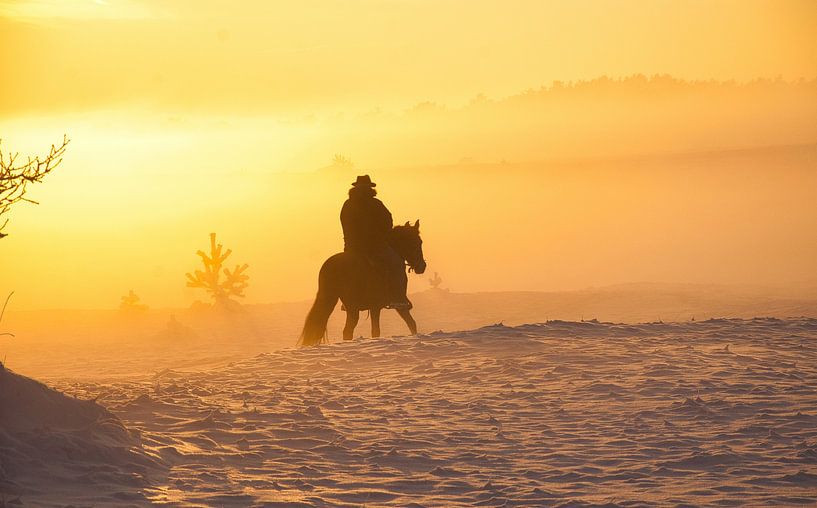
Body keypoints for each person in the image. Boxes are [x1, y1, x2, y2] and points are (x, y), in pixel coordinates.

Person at [340, 175, 410, 309]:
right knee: (397, 263)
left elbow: (344, 224)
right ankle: (398, 299)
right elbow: (388, 222)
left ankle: (346, 302)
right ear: (369, 188)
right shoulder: (375, 203)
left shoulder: (347, 204)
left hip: (351, 248)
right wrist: (380, 236)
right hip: (375, 247)